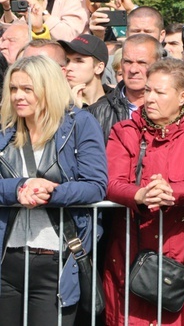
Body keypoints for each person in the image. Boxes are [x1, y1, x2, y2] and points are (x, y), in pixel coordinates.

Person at [103, 58, 184, 325]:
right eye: (147, 90)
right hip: (130, 251)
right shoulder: (124, 130)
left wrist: (173, 192)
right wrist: (138, 196)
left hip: (183, 252)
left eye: (159, 92)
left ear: (182, 97)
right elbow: (110, 182)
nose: (149, 98)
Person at [0, 55, 108, 325]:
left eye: (27, 89)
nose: (18, 96)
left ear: (48, 89)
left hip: (55, 261)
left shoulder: (79, 124)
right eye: (13, 89)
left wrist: (51, 193)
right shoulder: (5, 129)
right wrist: (18, 189)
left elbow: (96, 186)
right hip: (7, 258)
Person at [86, 34, 162, 142]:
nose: (133, 69)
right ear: (121, 64)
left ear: (158, 65)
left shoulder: (175, 111)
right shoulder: (96, 114)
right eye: (128, 62)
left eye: (142, 63)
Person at [59, 35, 109, 108]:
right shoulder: (56, 104)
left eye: (79, 61)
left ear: (99, 68)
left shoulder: (119, 104)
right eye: (67, 61)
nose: (68, 67)